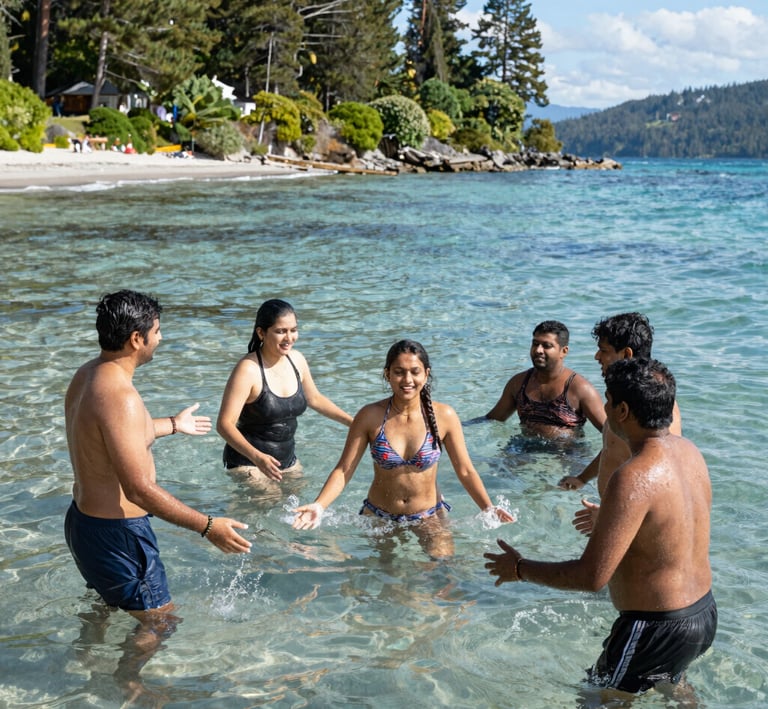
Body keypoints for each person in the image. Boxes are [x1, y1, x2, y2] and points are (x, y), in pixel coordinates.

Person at [484, 358, 716, 695]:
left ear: (622, 410)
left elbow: (591, 577)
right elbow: (668, 529)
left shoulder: (634, 475)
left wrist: (519, 568)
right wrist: (611, 523)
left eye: (607, 401)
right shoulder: (689, 452)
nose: (603, 409)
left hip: (653, 625)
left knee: (594, 698)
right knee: (671, 683)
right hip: (702, 614)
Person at [64, 290, 252, 618]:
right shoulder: (122, 396)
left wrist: (173, 424)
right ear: (137, 339)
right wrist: (208, 526)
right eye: (157, 331)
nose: (160, 338)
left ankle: (89, 664)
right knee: (159, 624)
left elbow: (112, 435)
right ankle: (126, 673)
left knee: (103, 610)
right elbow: (138, 489)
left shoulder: (87, 375)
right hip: (119, 534)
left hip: (83, 524)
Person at [292, 339, 516, 558]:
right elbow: (344, 470)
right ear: (387, 374)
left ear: (426, 374)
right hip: (380, 516)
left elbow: (465, 470)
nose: (407, 379)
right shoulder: (370, 416)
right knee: (385, 580)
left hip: (429, 516)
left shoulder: (443, 416)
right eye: (399, 372)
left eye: (415, 371)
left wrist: (488, 508)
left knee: (443, 573)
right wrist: (319, 506)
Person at [558, 314, 683, 534]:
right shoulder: (623, 401)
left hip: (633, 525)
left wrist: (616, 519)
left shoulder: (654, 406)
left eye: (604, 350)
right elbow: (612, 449)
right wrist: (582, 478)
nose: (597, 356)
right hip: (618, 517)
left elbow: (662, 477)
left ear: (626, 354)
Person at [217, 299, 353, 484]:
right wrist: (257, 458)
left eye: (293, 330)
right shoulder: (248, 370)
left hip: (287, 460)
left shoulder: (297, 360)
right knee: (269, 500)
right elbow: (224, 425)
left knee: (301, 507)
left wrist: (353, 424)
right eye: (281, 331)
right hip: (248, 462)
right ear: (261, 333)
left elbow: (315, 399)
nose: (289, 338)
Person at [482, 320, 606, 438]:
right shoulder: (519, 383)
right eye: (535, 344)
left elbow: (611, 432)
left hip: (568, 452)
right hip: (524, 446)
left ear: (563, 351)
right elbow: (493, 418)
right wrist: (463, 426)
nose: (538, 350)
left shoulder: (580, 389)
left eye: (547, 346)